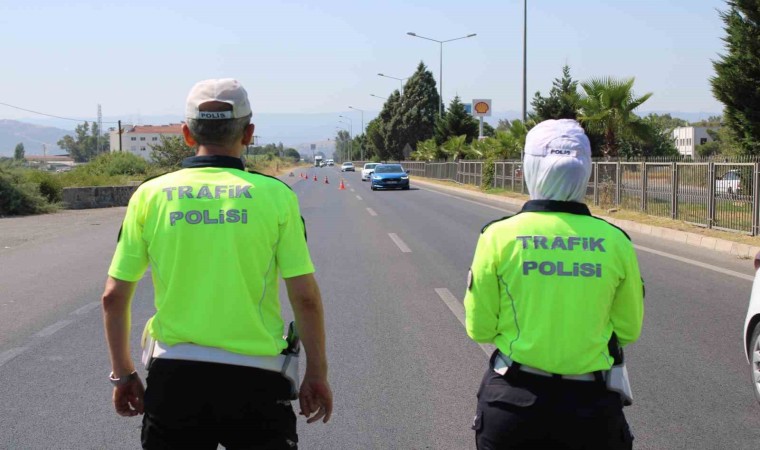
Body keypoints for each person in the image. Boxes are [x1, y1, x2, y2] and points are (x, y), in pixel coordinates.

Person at [101, 78, 332, 449]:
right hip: (258, 381)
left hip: (175, 381)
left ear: (186, 134)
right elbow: (305, 298)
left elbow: (113, 297)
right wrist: (317, 373)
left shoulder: (149, 195)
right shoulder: (276, 197)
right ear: (249, 134)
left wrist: (123, 374)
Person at [464, 119, 644, 449]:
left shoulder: (498, 236)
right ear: (585, 171)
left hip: (513, 404)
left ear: (530, 168)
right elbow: (628, 330)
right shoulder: (616, 241)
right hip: (592, 410)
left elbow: (480, 328)